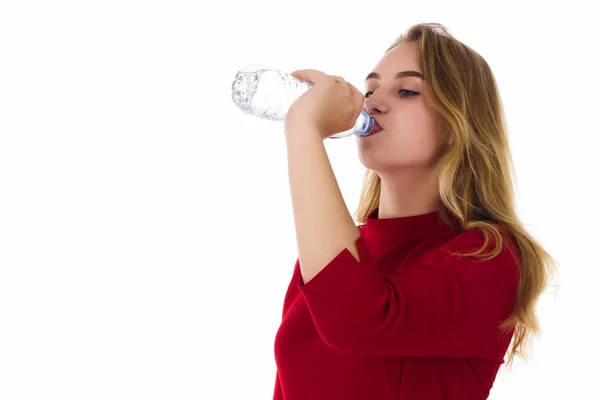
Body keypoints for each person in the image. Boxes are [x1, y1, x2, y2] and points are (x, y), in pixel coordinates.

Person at [273, 22, 557, 400]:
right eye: (370, 89)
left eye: (406, 91)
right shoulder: (326, 250)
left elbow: (358, 322)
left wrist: (305, 131)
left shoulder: (492, 256)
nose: (371, 103)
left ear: (457, 125)